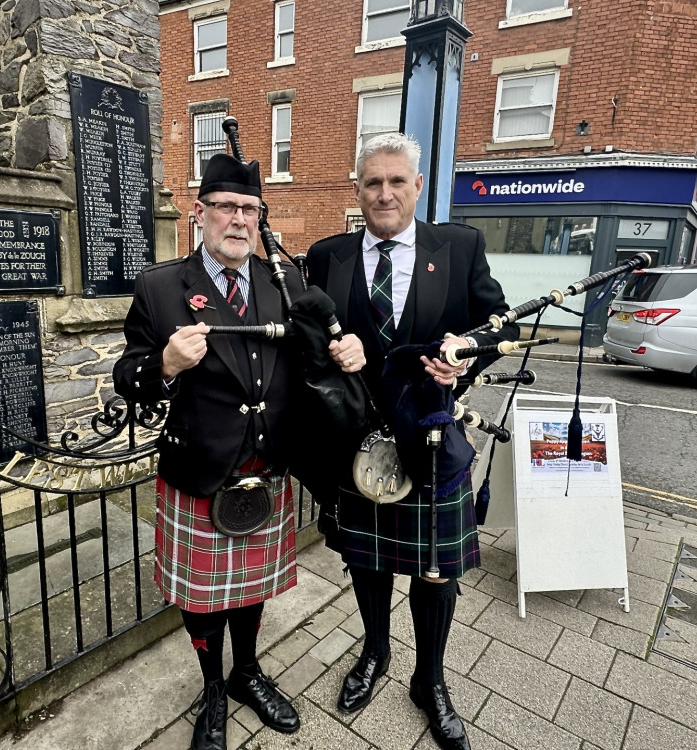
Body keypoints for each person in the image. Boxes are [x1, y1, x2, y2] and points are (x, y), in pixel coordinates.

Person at [113, 153, 363, 750]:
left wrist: (347, 348)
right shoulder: (160, 287)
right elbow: (129, 375)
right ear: (200, 214)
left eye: (249, 209)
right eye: (226, 207)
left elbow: (316, 355)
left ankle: (247, 671)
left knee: (250, 591)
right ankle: (214, 690)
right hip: (201, 467)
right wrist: (166, 364)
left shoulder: (288, 282)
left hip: (267, 465)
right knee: (202, 598)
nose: (239, 220)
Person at [306, 132, 518, 750]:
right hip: (358, 441)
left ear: (417, 186)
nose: (385, 193)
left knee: (434, 572)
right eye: (373, 182)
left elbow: (494, 321)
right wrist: (328, 350)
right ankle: (374, 653)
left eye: (397, 181)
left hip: (430, 438)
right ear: (357, 189)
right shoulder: (328, 255)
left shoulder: (458, 245)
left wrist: (463, 359)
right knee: (366, 561)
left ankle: (430, 680)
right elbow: (306, 339)